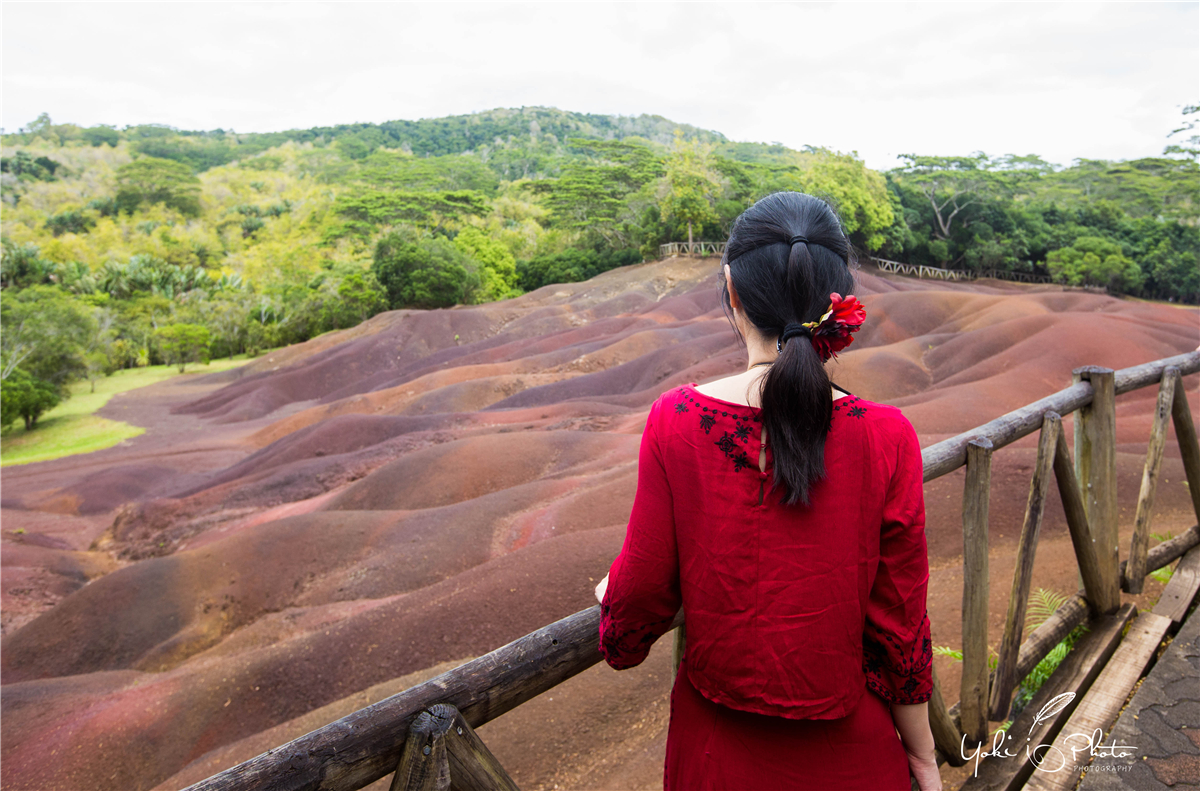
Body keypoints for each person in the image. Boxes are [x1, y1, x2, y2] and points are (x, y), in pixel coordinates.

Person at [593, 192, 941, 791]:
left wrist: (613, 592)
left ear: (732, 289)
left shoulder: (674, 419)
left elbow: (637, 608)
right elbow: (901, 627)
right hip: (852, 758)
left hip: (717, 758)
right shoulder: (888, 436)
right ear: (838, 297)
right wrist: (925, 758)